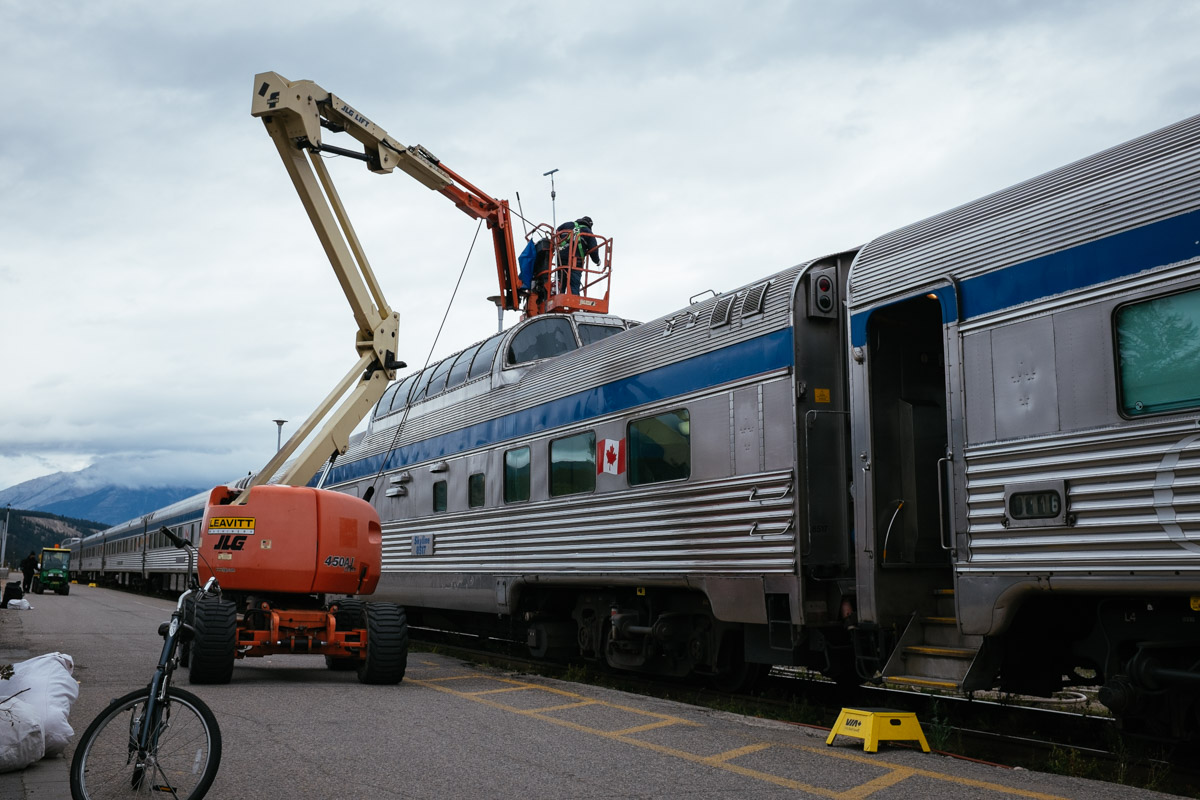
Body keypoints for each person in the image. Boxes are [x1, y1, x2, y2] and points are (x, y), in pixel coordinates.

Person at [555, 216, 600, 295]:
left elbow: (556, 232)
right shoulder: (588, 232)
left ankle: (559, 295)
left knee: (561, 280)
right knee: (574, 284)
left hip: (561, 258)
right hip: (575, 262)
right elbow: (594, 250)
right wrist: (597, 261)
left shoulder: (567, 224)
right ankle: (574, 301)